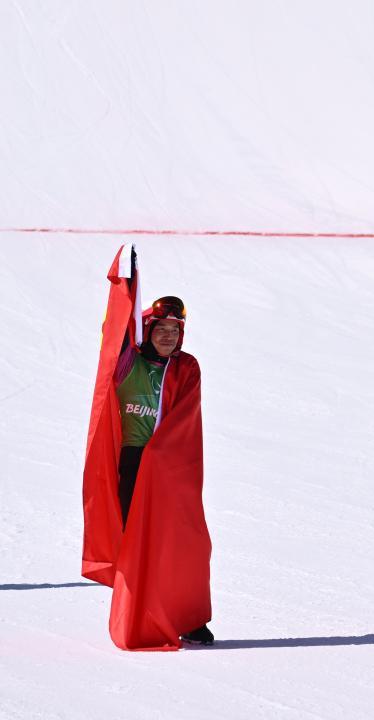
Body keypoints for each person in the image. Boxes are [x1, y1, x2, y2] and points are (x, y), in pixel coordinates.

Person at [82, 245, 214, 650]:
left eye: (175, 332)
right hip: (132, 463)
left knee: (185, 541)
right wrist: (128, 283)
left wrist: (165, 459)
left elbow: (185, 421)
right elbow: (115, 333)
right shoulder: (128, 363)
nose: (169, 336)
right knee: (137, 544)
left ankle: (189, 617)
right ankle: (139, 613)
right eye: (161, 330)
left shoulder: (186, 366)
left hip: (170, 468)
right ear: (148, 331)